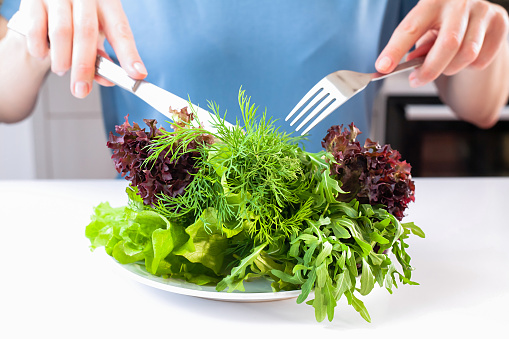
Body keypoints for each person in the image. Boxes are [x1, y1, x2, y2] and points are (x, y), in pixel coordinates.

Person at [1, 0, 508, 153]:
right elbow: (7, 103)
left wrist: (488, 32)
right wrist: (33, 34)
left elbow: (479, 106)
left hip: (325, 264)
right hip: (164, 273)